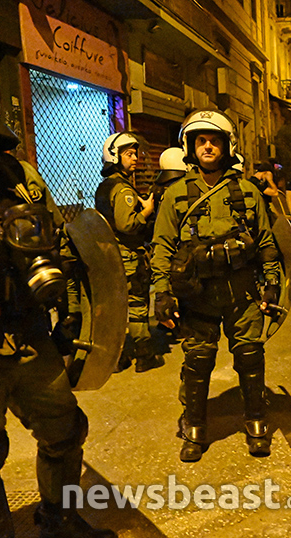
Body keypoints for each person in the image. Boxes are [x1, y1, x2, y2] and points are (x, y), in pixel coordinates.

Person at [0, 44, 115, 537]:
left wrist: (72, 314)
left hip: (29, 334)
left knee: (65, 431)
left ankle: (60, 520)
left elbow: (62, 248)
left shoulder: (21, 178)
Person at [151, 110, 281, 461]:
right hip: (197, 295)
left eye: (214, 141)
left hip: (242, 293)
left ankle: (256, 422)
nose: (207, 147)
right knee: (198, 359)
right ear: (191, 148)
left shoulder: (248, 192)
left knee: (250, 356)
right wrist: (161, 293)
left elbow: (266, 242)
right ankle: (194, 426)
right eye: (201, 141)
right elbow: (162, 247)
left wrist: (272, 283)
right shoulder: (175, 194)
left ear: (227, 147)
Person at [94, 132, 164, 373]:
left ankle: (117, 357)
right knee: (136, 306)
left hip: (110, 255)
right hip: (128, 256)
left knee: (116, 309)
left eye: (135, 154)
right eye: (129, 154)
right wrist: (147, 211)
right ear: (115, 157)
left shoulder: (104, 186)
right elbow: (127, 224)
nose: (135, 158)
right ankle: (144, 355)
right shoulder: (122, 189)